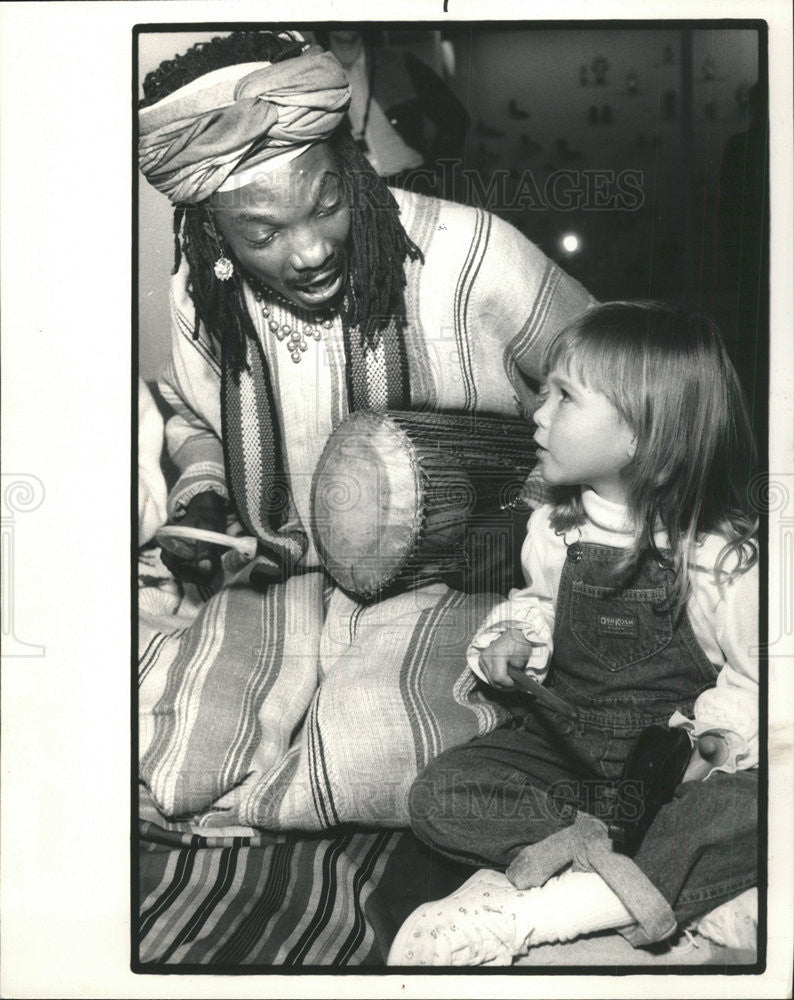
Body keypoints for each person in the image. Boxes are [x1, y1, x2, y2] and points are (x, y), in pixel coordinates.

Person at [136, 31, 593, 831]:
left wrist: (537, 522)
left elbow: (625, 387)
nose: (310, 249)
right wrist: (204, 496)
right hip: (292, 570)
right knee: (174, 762)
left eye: (325, 205)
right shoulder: (199, 296)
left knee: (367, 761)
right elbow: (195, 416)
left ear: (351, 167)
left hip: (466, 574)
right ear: (212, 233)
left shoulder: (470, 255)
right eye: (262, 233)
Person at [388, 302, 758, 965]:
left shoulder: (716, 557)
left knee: (755, 809)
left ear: (645, 434)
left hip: (672, 770)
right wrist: (514, 640)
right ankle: (648, 879)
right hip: (568, 754)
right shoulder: (553, 531)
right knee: (440, 795)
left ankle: (559, 909)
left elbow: (759, 677)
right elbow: (534, 605)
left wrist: (717, 734)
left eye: (564, 397)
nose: (539, 413)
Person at [319, 29, 469, 198]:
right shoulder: (315, 77)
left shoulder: (399, 62)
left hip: (413, 184)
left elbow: (455, 117)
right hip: (356, 195)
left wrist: (438, 170)